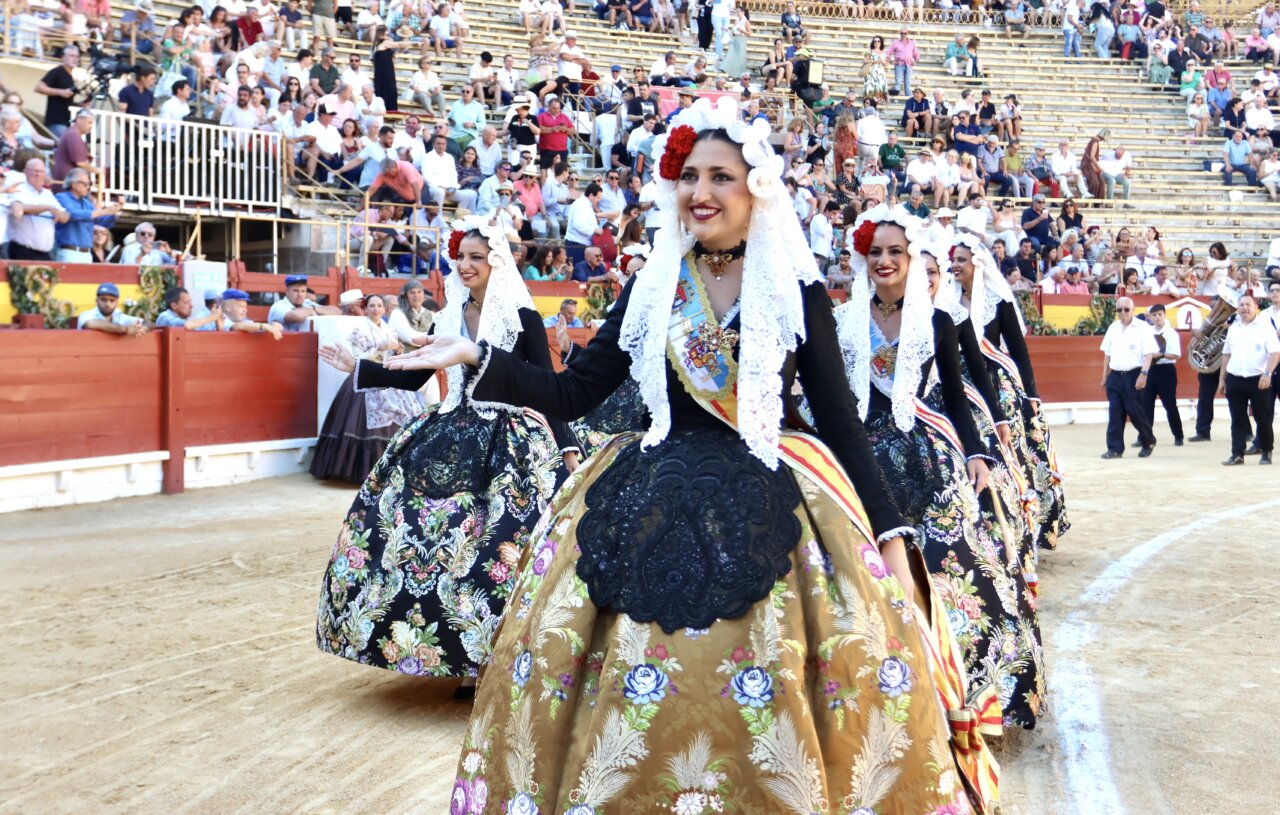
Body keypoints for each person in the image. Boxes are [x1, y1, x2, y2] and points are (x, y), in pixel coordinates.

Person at [390, 97, 989, 813]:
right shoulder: (654, 283)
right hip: (652, 496)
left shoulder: (794, 288)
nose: (700, 192)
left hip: (773, 501)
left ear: (756, 189)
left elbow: (837, 419)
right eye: (689, 177)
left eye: (720, 177)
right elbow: (573, 391)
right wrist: (474, 356)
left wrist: (888, 529)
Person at [314, 215, 580, 694]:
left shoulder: (522, 317)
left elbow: (547, 385)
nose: (465, 265)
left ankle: (495, 660)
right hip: (448, 429)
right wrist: (360, 367)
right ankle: (451, 656)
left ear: (497, 262)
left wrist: (566, 447)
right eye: (460, 257)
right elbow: (416, 373)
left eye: (476, 257)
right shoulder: (447, 315)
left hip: (509, 440)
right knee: (419, 540)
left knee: (496, 549)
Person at [838, 209, 1045, 729]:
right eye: (875, 252)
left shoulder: (938, 322)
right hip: (861, 461)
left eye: (895, 252)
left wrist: (975, 453)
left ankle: (973, 692)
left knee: (959, 567)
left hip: (926, 459)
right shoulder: (840, 322)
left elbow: (953, 395)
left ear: (912, 258)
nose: (884, 261)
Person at [952, 238, 1070, 549]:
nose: (955, 265)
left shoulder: (999, 302)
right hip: (960, 386)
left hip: (998, 390)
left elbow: (1018, 351)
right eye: (954, 259)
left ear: (977, 264)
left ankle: (1027, 523)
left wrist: (1031, 396)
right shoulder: (946, 303)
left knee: (1015, 453)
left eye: (961, 259)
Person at [310, 292, 422, 482]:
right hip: (365, 377)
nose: (376, 309)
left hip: (389, 378)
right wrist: (380, 347)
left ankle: (396, 471)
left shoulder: (391, 330)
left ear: (384, 309)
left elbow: (394, 355)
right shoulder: (358, 330)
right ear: (365, 308)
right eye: (372, 306)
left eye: (379, 305)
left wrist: (397, 351)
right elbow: (357, 357)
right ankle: (364, 472)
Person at [1220, 293, 1280, 464]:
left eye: (1248, 305)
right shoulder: (1233, 328)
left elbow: (1275, 352)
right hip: (1235, 378)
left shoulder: (1265, 327)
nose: (1244, 308)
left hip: (1258, 379)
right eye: (1241, 305)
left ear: (1255, 308)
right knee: (1237, 419)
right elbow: (1226, 355)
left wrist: (1267, 374)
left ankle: (1266, 451)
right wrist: (1222, 380)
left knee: (1263, 418)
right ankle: (1237, 454)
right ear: (1237, 308)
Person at [1099, 296, 1159, 458]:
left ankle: (1148, 440)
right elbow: (1107, 354)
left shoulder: (1143, 327)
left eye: (1126, 309)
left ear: (1133, 310)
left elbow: (1149, 354)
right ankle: (1114, 448)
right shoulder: (1113, 328)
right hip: (1115, 375)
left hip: (1134, 374)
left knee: (1135, 411)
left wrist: (1143, 375)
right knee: (1115, 412)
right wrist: (1104, 376)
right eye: (1119, 310)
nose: (1123, 312)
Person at [52, 169, 120, 263]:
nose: (88, 187)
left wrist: (114, 214)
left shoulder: (87, 203)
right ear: (73, 184)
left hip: (87, 253)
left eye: (89, 184)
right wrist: (103, 211)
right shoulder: (61, 197)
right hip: (69, 251)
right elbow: (73, 214)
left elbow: (100, 221)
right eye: (85, 184)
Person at [9, 158, 69, 261]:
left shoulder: (47, 194)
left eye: (41, 171)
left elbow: (65, 217)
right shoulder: (19, 189)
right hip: (22, 251)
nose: (37, 174)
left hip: (44, 253)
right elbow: (19, 208)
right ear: (25, 171)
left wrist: (58, 213)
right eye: (34, 171)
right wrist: (48, 208)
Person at [1143, 303, 1185, 445]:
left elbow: (1176, 355)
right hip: (1150, 369)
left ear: (1164, 315)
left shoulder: (1171, 333)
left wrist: (1160, 354)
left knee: (1170, 405)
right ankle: (1145, 437)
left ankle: (1178, 436)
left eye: (1159, 314)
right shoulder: (1147, 331)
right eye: (1154, 315)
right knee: (1146, 405)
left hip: (1166, 370)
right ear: (1150, 317)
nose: (1157, 317)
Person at [268, 274, 340, 331]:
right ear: (287, 291)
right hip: (287, 344)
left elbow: (337, 311)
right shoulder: (278, 306)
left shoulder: (307, 303)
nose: (300, 294)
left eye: (303, 291)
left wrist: (314, 309)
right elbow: (296, 316)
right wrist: (309, 311)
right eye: (295, 291)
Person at [34, 45, 79, 138]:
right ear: (63, 57)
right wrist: (61, 92)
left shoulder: (70, 77)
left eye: (76, 56)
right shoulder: (57, 72)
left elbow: (66, 101)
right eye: (71, 56)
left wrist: (81, 104)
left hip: (66, 122)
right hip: (56, 122)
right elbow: (38, 87)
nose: (75, 59)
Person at [77, 283, 147, 335]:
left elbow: (148, 322)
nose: (107, 304)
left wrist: (143, 328)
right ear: (97, 301)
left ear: (117, 303)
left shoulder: (119, 316)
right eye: (103, 300)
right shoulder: (86, 314)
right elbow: (90, 324)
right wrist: (126, 329)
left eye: (112, 300)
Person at [387, 279, 435, 350]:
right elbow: (411, 338)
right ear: (406, 296)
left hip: (428, 355)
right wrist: (434, 337)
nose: (416, 296)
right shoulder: (397, 314)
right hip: (405, 355)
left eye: (419, 292)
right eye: (412, 292)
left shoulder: (431, 314)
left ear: (423, 294)